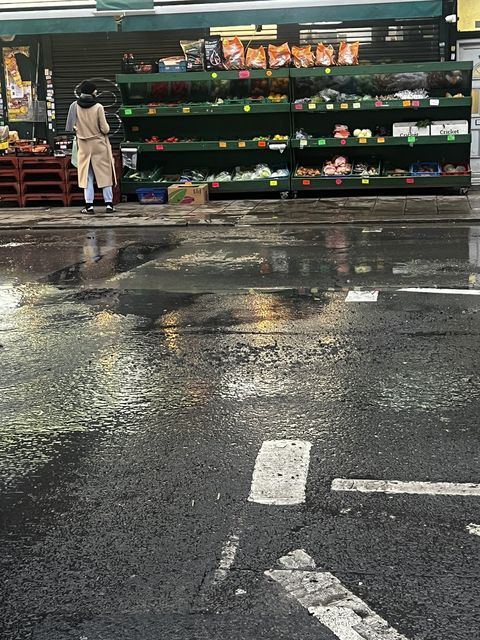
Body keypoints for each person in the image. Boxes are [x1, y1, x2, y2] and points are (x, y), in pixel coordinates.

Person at [66, 81, 116, 214]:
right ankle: (109, 204)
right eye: (95, 90)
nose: (96, 92)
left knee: (87, 177)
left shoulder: (74, 106)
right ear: (92, 92)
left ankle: (89, 206)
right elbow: (105, 129)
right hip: (99, 144)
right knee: (104, 174)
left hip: (83, 145)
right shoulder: (98, 106)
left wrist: (80, 130)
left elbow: (70, 126)